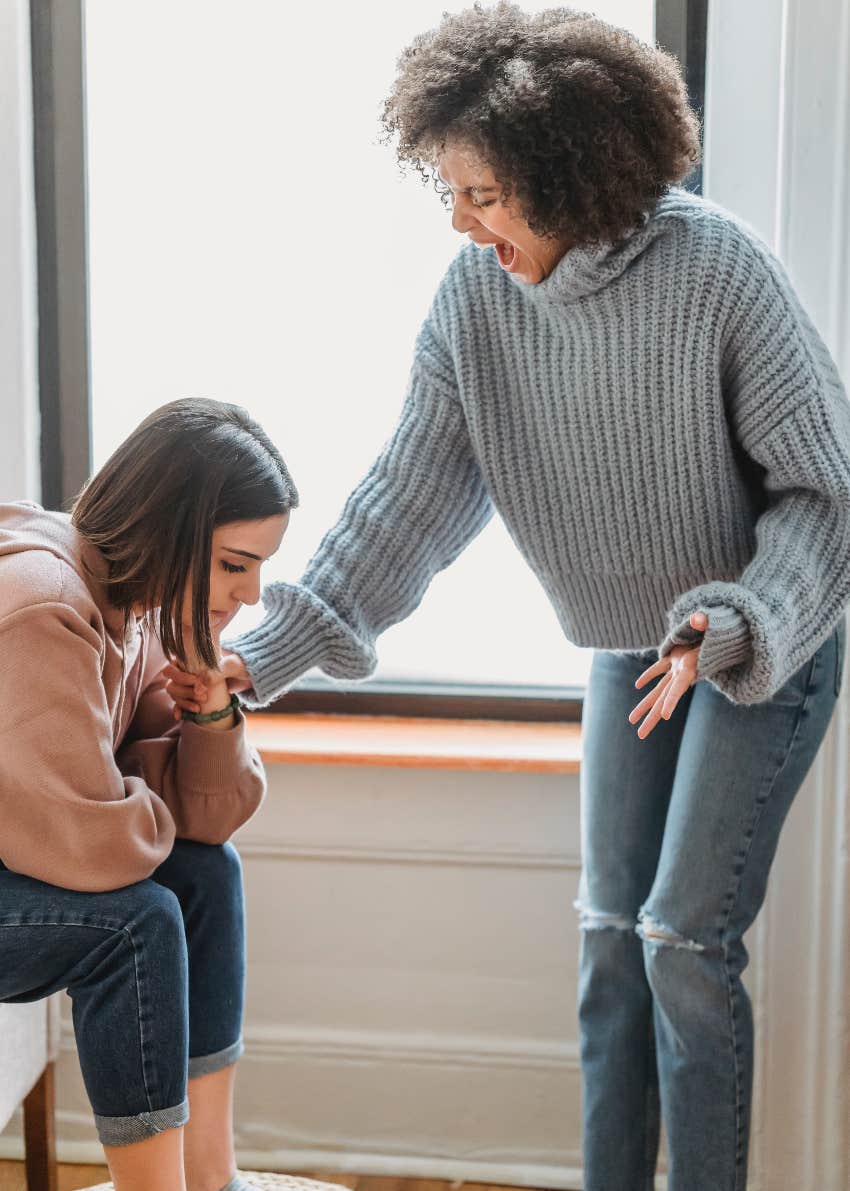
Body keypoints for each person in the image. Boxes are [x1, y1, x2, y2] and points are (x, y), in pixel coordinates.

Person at [168, 7, 850, 1189]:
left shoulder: (717, 271)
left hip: (758, 641)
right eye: (447, 190)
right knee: (605, 945)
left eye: (481, 192)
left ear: (561, 170)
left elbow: (826, 494)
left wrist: (732, 624)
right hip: (625, 651)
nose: (461, 220)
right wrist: (264, 657)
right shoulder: (475, 304)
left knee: (682, 944)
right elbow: (409, 500)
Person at [0, 398, 298, 1191]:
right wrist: (144, 783)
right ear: (170, 528)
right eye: (235, 563)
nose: (253, 595)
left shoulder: (138, 608)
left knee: (206, 872)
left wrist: (210, 716)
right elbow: (88, 847)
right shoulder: (45, 605)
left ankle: (212, 1176)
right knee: (136, 922)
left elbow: (206, 820)